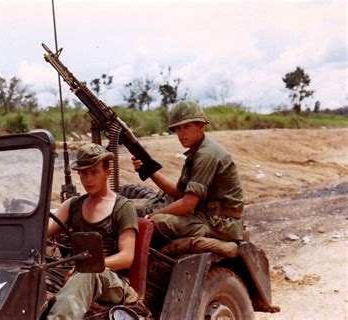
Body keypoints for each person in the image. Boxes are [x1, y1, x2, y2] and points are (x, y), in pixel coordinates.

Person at [132, 101, 245, 249]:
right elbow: (178, 193)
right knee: (129, 208)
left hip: (219, 224)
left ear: (201, 126)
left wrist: (151, 217)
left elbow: (187, 204)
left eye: (186, 126)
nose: (181, 133)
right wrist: (149, 170)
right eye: (178, 128)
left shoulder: (207, 154)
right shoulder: (196, 152)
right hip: (206, 216)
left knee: (158, 222)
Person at [47, 143, 139, 319]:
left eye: (94, 172)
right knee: (32, 274)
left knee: (89, 273)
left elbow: (127, 257)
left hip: (111, 280)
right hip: (75, 273)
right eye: (83, 173)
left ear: (107, 172)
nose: (88, 179)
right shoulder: (72, 205)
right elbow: (42, 233)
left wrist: (83, 268)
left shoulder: (123, 207)